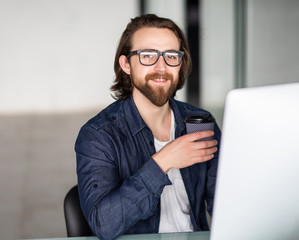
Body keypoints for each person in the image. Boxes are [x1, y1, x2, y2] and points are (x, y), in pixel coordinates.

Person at [75, 14, 221, 240]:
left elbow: (223, 204)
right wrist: (164, 161)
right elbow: (103, 224)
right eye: (148, 56)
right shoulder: (98, 135)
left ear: (180, 63)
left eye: (171, 56)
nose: (161, 67)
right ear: (126, 64)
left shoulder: (200, 122)